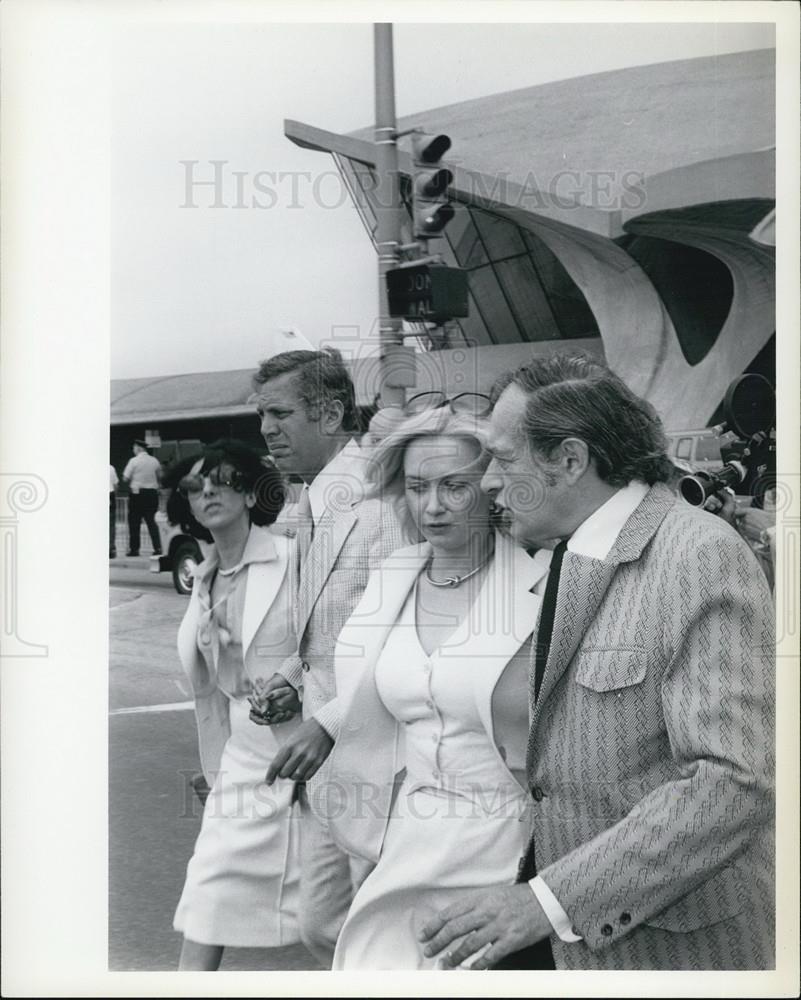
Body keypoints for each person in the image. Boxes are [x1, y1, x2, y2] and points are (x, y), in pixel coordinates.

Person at [419, 354, 775, 971]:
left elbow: (733, 782)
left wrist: (549, 902)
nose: (489, 483)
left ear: (569, 460)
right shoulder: (571, 554)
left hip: (671, 956)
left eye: (503, 459)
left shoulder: (698, 556)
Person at [323, 406, 550, 969]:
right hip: (409, 835)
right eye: (418, 487)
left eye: (454, 486)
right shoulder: (393, 575)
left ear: (491, 486)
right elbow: (366, 688)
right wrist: (322, 723)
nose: (432, 506)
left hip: (509, 842)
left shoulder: (546, 581)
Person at [247, 348, 407, 967]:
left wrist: (330, 722)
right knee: (322, 925)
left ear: (333, 413)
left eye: (281, 413)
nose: (266, 429)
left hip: (383, 755)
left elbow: (404, 635)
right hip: (328, 763)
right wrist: (292, 678)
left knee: (381, 931)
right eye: (262, 415)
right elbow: (327, 624)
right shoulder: (311, 500)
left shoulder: (383, 498)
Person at [166, 439, 302, 971]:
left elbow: (330, 643)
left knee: (334, 908)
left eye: (223, 480)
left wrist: (299, 689)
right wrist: (214, 769)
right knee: (209, 886)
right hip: (242, 760)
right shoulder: (202, 578)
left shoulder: (294, 557)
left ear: (250, 493)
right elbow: (211, 692)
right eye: (195, 486)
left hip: (308, 747)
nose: (208, 492)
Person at [122, 439, 163, 556]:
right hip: (152, 494)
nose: (133, 450)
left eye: (134, 448)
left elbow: (125, 478)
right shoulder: (154, 461)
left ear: (139, 448)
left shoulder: (133, 461)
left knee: (134, 522)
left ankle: (134, 549)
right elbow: (160, 476)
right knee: (152, 522)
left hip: (137, 494)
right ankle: (158, 547)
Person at [109, 464, 119, 558]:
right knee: (111, 524)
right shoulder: (111, 468)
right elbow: (116, 485)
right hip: (109, 494)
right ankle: (110, 548)